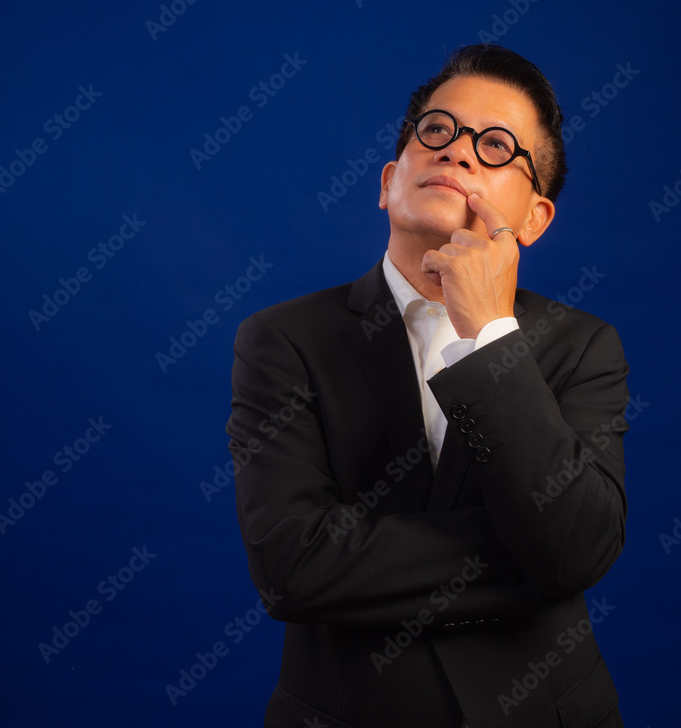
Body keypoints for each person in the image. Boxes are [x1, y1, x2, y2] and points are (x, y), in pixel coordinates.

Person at [226, 44, 629, 728]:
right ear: (388, 182)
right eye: (437, 131)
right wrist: (523, 558)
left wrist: (489, 334)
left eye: (497, 146)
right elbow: (293, 568)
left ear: (534, 218)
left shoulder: (583, 347)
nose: (459, 152)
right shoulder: (282, 339)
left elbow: (575, 548)